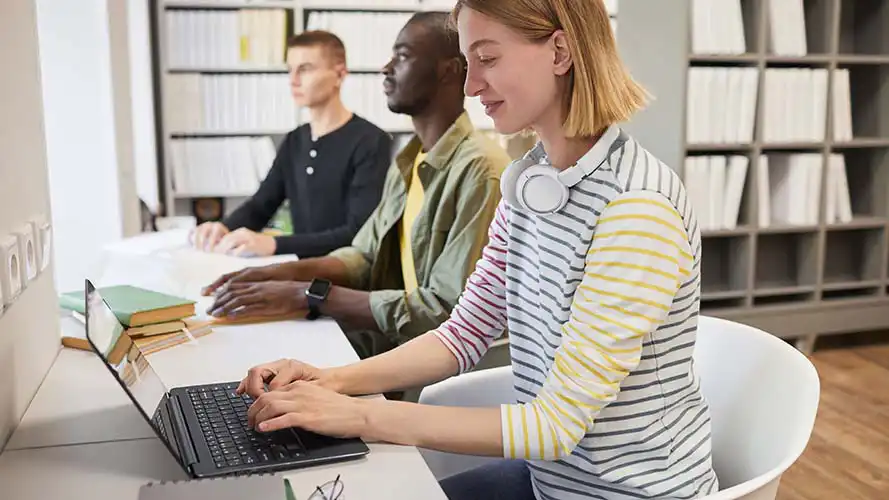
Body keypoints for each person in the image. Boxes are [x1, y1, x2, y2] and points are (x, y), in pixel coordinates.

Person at [225, 0, 721, 499]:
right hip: (548, 481)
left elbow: (554, 426)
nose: (469, 86)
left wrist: (361, 414)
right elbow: (463, 334)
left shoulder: (637, 210)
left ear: (561, 51)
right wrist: (330, 380)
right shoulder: (529, 182)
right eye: (468, 62)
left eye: (488, 58)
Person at [201, 12, 512, 360]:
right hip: (396, 342)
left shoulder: (481, 171)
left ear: (449, 70)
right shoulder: (409, 162)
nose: (386, 68)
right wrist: (277, 273)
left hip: (435, 366)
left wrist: (307, 294)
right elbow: (364, 255)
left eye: (403, 56)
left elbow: (443, 310)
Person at [191, 31, 393, 258]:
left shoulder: (371, 141)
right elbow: (261, 204)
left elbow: (358, 233)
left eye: (305, 69)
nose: (293, 79)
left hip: (348, 278)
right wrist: (224, 228)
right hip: (301, 272)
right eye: (290, 69)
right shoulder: (295, 140)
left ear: (339, 74)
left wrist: (275, 245)